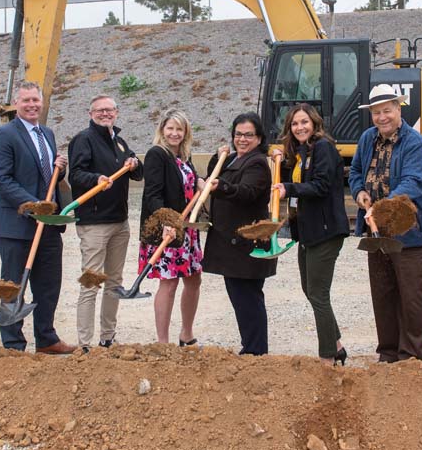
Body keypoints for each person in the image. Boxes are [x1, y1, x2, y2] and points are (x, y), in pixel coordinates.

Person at [348, 84, 422, 362]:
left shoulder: (414, 142)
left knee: (413, 298)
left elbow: (414, 181)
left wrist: (383, 206)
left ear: (399, 109)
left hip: (410, 233)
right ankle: (388, 353)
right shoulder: (366, 139)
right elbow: (356, 171)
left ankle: (412, 358)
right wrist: (360, 192)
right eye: (376, 112)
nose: (382, 117)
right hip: (378, 233)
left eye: (387, 110)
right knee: (383, 295)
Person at [0, 81, 73, 354]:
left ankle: (46, 338)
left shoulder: (46, 133)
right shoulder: (3, 135)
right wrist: (33, 206)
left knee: (48, 284)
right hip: (16, 224)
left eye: (36, 100)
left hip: (47, 224)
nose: (32, 105)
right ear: (16, 104)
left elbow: (47, 178)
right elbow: (1, 179)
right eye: (26, 101)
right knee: (13, 284)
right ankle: (13, 344)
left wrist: (60, 170)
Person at [270, 103, 349, 365]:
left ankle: (327, 357)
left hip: (326, 231)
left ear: (314, 123)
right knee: (310, 289)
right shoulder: (303, 152)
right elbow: (294, 177)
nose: (300, 127)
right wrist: (277, 160)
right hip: (308, 231)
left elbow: (321, 185)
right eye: (294, 124)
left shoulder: (323, 147)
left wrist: (289, 188)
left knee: (318, 293)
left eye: (304, 122)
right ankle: (336, 345)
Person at [68, 94, 142, 349]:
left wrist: (134, 162)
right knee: (91, 282)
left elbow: (138, 173)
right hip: (94, 222)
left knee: (114, 282)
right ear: (91, 114)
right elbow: (75, 175)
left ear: (117, 113)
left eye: (109, 110)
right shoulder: (83, 139)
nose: (105, 114)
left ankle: (107, 337)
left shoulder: (119, 142)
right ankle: (85, 343)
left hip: (120, 222)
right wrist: (96, 178)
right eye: (99, 110)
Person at [202, 112, 275, 355]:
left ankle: (255, 351)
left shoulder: (257, 163)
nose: (242, 139)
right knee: (240, 297)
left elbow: (247, 192)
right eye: (238, 135)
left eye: (248, 135)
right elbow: (215, 174)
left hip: (246, 243)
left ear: (259, 138)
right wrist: (217, 159)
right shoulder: (232, 158)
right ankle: (252, 347)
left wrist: (220, 187)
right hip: (230, 244)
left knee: (248, 298)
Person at [139, 111, 204, 346]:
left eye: (180, 129)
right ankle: (163, 341)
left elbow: (187, 183)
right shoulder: (157, 154)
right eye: (170, 128)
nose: (175, 133)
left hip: (187, 230)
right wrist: (167, 221)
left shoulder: (184, 156)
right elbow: (152, 195)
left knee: (194, 279)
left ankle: (186, 334)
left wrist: (199, 180)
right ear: (162, 130)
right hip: (166, 229)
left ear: (186, 132)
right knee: (169, 283)